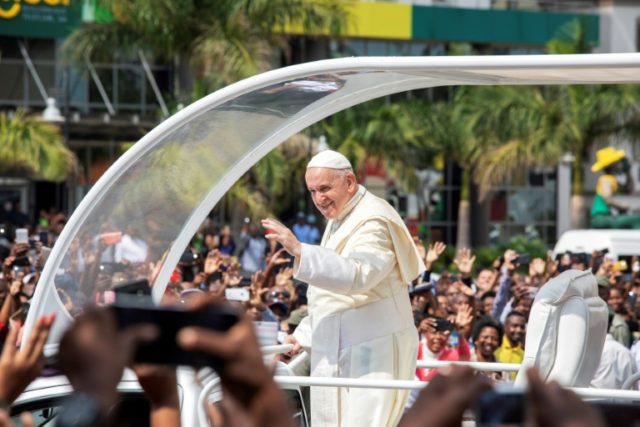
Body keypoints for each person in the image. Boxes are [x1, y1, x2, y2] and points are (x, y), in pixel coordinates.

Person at [261, 149, 424, 427]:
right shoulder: (342, 215)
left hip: (375, 352)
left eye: (325, 188)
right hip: (342, 348)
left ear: (349, 182)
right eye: (312, 191)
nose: (318, 199)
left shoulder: (373, 219)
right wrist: (302, 336)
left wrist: (300, 249)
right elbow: (331, 297)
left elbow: (358, 275)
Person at [590, 146, 640, 229]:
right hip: (601, 218)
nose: (620, 164)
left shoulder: (611, 180)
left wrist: (628, 171)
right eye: (619, 162)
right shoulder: (606, 180)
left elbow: (628, 189)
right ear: (613, 164)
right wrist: (624, 206)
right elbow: (608, 199)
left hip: (605, 217)